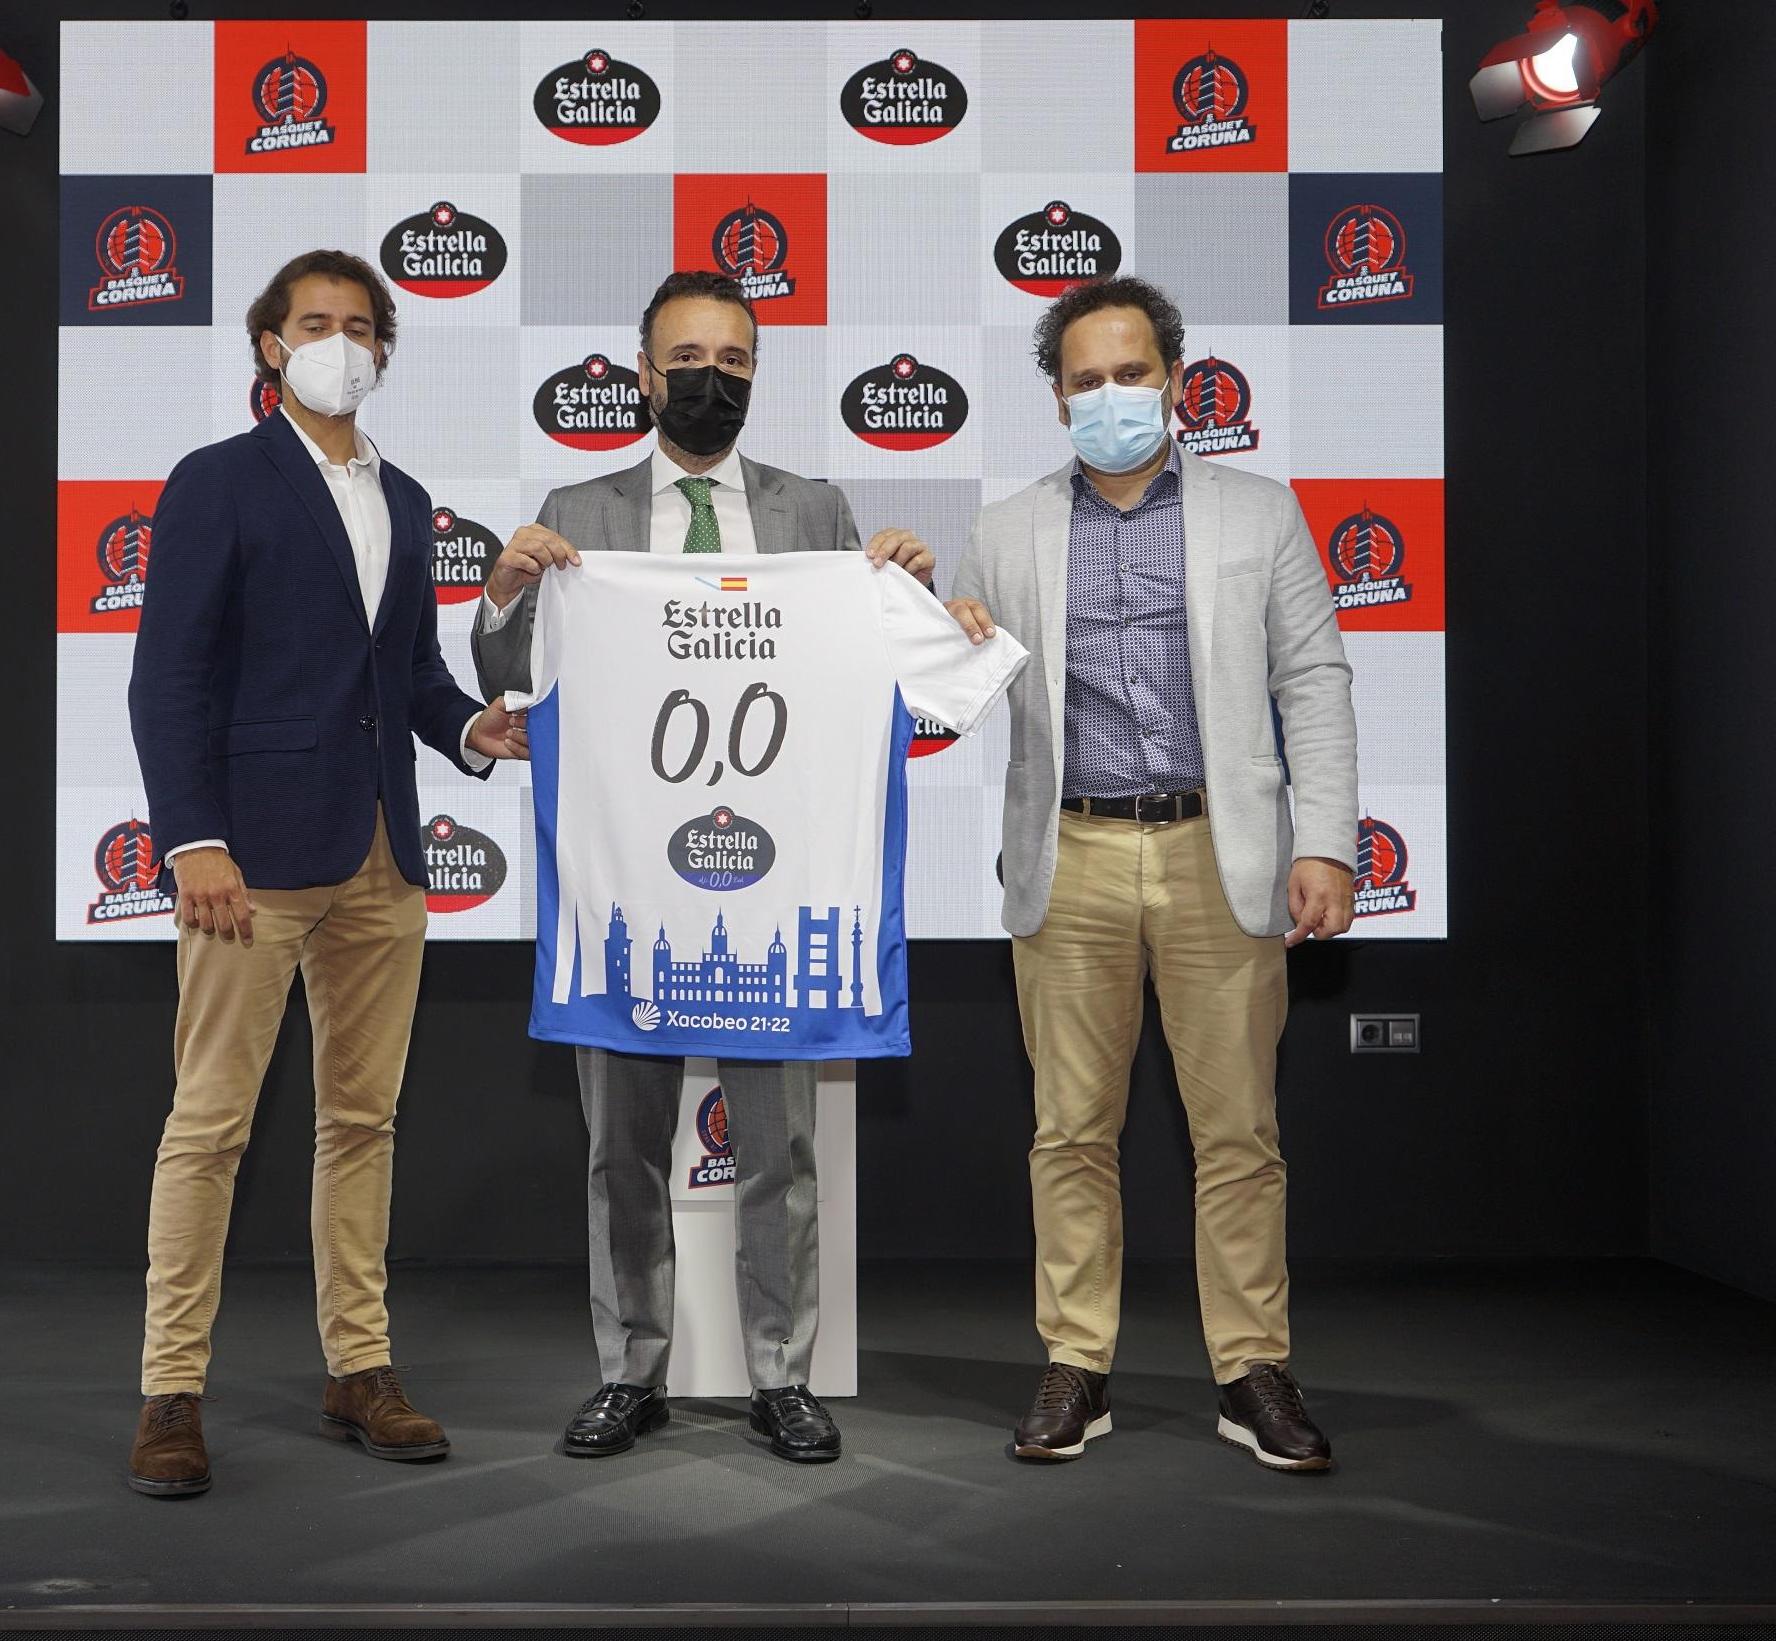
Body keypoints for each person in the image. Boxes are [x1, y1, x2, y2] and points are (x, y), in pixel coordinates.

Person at [471, 271, 934, 1464]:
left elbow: (866, 668)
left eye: (733, 360)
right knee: (619, 1149)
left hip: (769, 885)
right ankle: (633, 1369)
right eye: (687, 356)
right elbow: (509, 672)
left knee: (777, 1147)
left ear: (755, 372)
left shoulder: (814, 509)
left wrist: (905, 594)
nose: (709, 378)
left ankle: (782, 1375)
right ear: (641, 374)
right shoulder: (581, 504)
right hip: (628, 882)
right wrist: (503, 591)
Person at [122, 249, 527, 1498]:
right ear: (268, 348)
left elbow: (400, 678)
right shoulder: (216, 482)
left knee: (362, 1121)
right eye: (314, 323)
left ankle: (360, 1366)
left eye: (359, 325)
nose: (339, 341)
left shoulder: (405, 498)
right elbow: (168, 676)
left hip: (382, 858)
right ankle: (169, 1392)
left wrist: (469, 729)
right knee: (210, 1127)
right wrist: (192, 838)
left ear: (385, 352)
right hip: (247, 862)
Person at [944, 275, 1359, 1473]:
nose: (1111, 396)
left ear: (1174, 380)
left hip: (1215, 852)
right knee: (1069, 1129)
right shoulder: (1006, 528)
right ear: (1055, 396)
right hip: (1064, 854)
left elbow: (1312, 683)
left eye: (1131, 373)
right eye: (1085, 381)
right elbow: (949, 695)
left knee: (1238, 1132)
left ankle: (1250, 1371)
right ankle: (1077, 1362)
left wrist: (1324, 838)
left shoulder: (1258, 512)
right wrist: (919, 615)